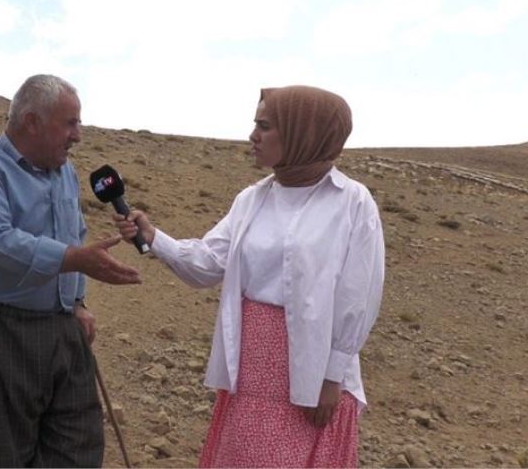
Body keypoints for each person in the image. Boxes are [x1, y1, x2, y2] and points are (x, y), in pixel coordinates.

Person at [114, 85, 384, 468]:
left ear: (302, 132)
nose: (252, 136)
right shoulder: (251, 200)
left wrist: (331, 377)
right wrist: (153, 237)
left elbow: (359, 293)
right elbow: (208, 263)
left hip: (313, 366)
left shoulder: (352, 202)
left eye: (265, 125)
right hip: (252, 363)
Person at [0, 74, 141, 468]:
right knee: (1, 455)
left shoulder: (64, 172)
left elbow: (75, 234)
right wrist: (75, 260)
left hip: (62, 326)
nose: (78, 135)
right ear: (32, 121)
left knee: (78, 448)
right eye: (70, 123)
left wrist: (78, 301)